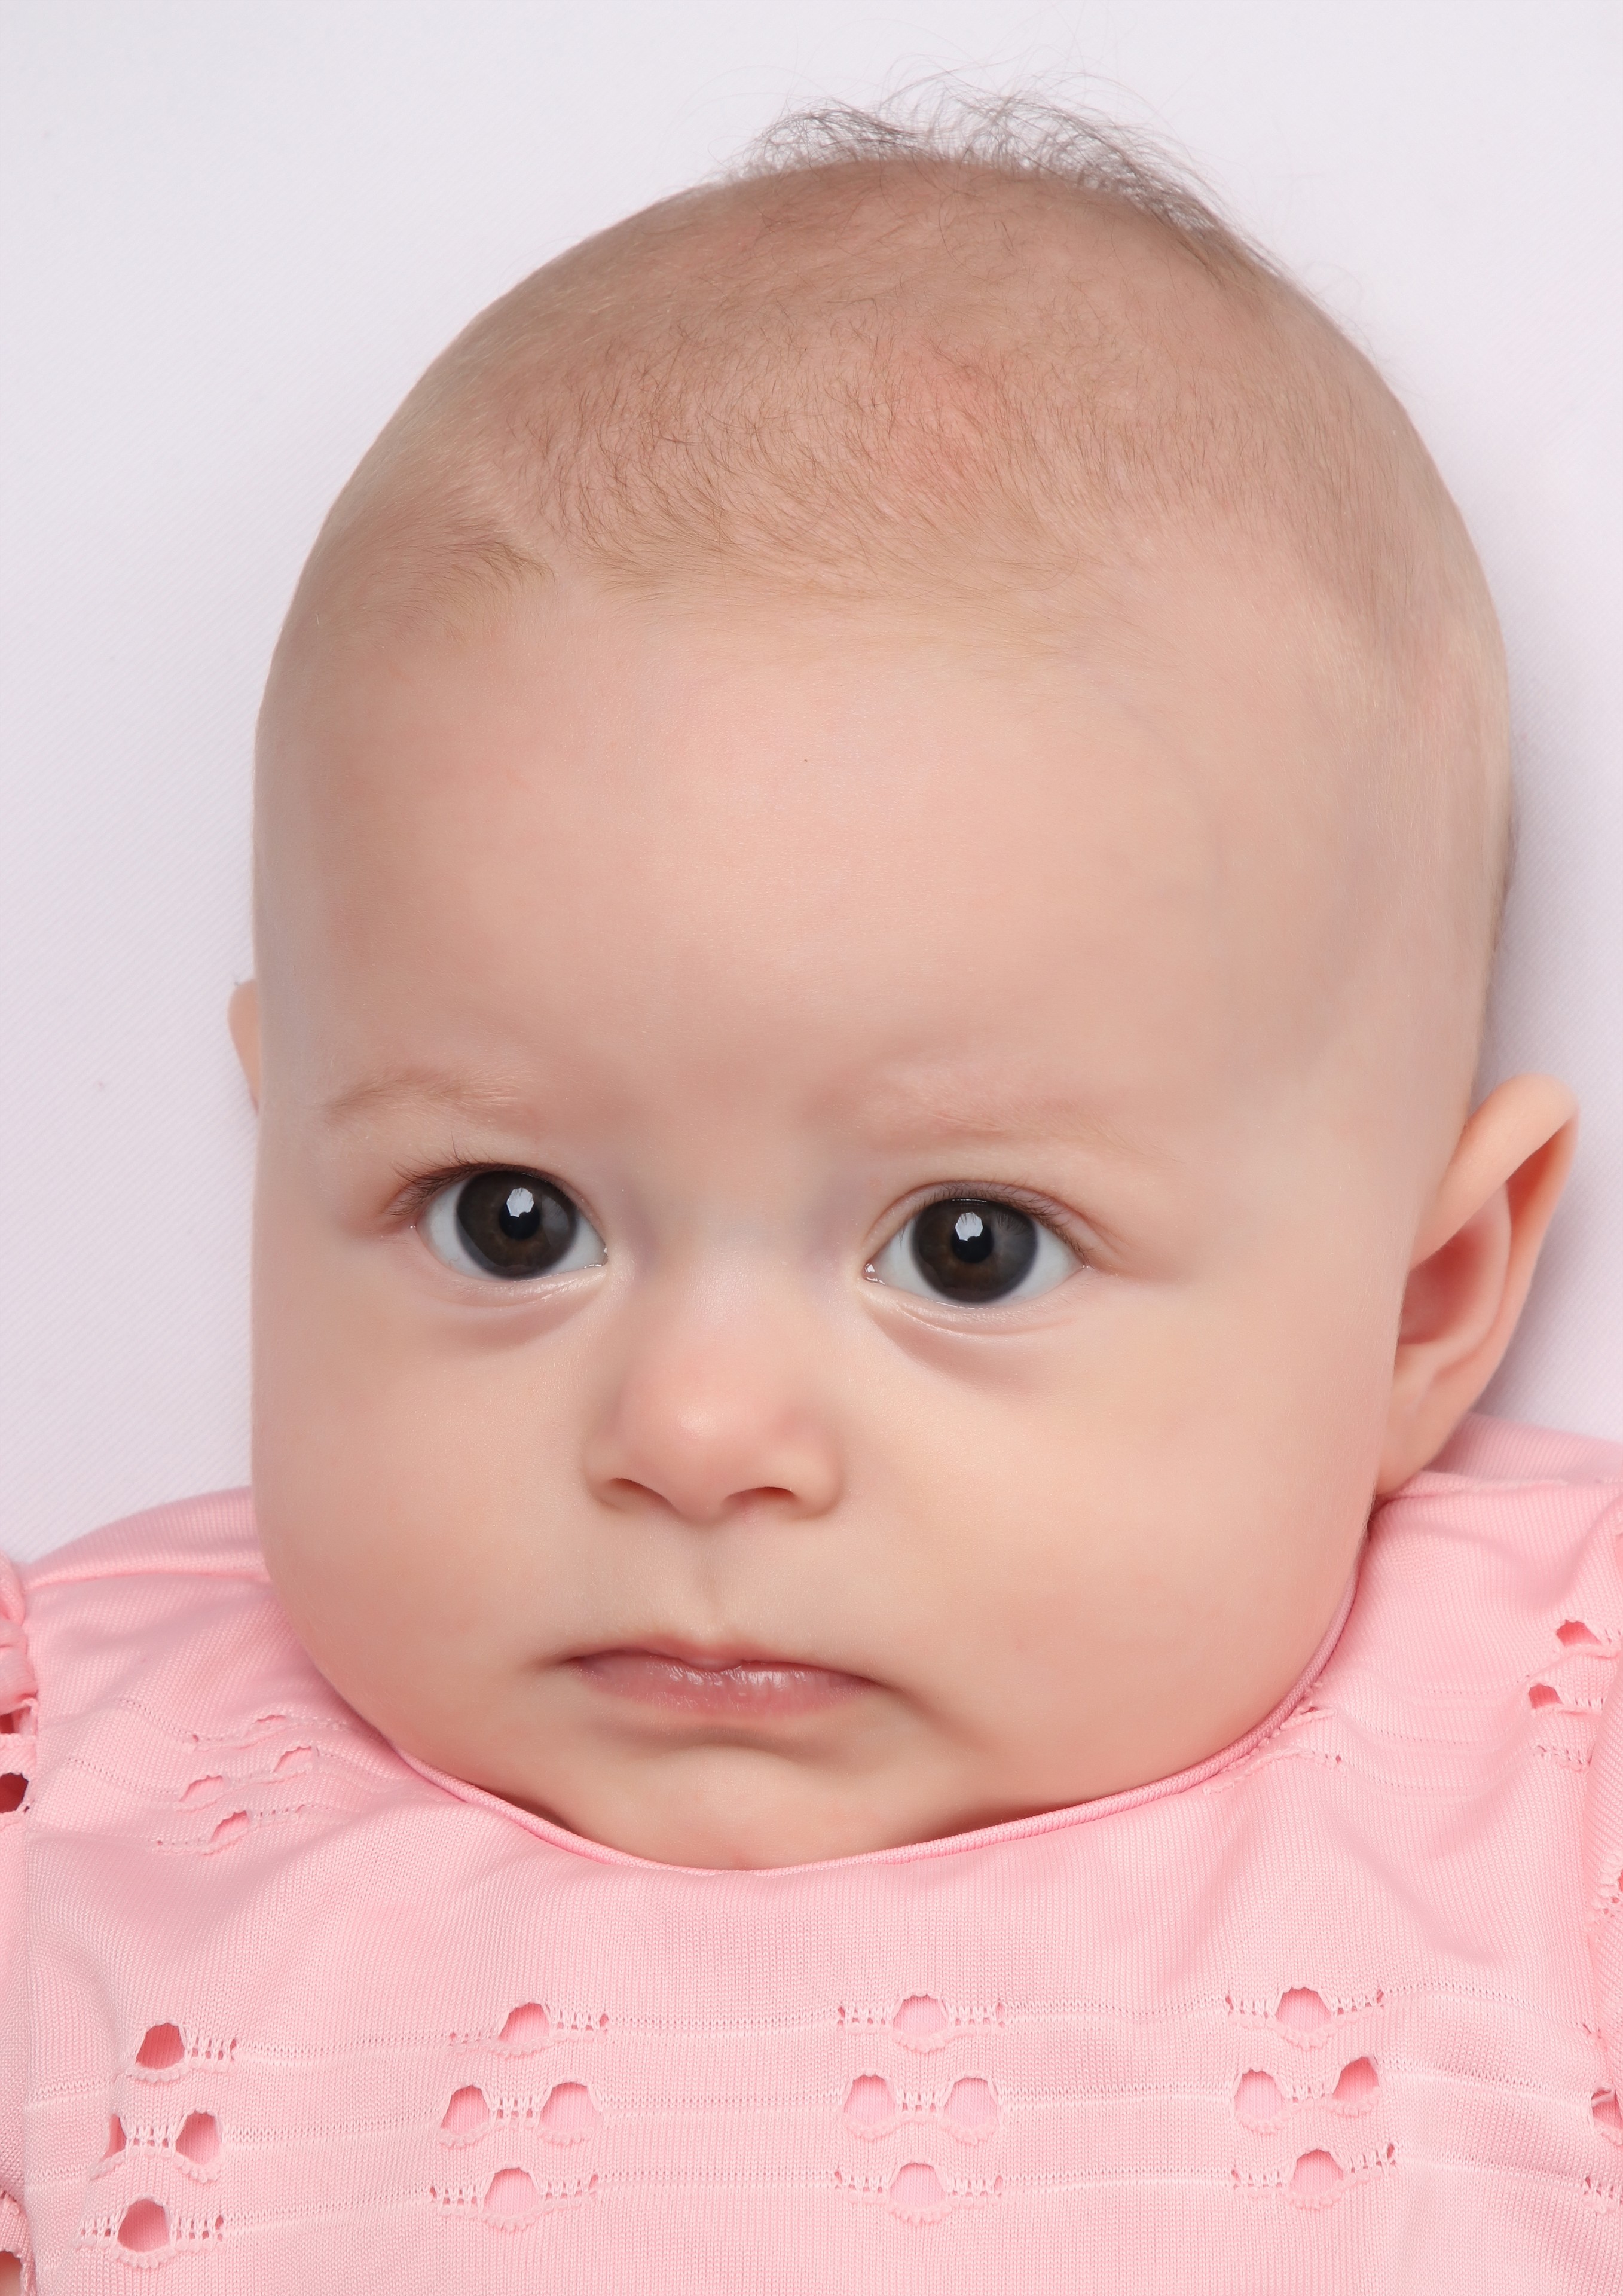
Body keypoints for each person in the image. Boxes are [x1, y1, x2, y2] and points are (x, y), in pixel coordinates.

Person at [3, 99, 1619, 2291]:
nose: (693, 1436)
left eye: (969, 1248)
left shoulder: (1552, 1794)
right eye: (507, 1218)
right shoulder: (67, 1817)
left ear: (1422, 1302)